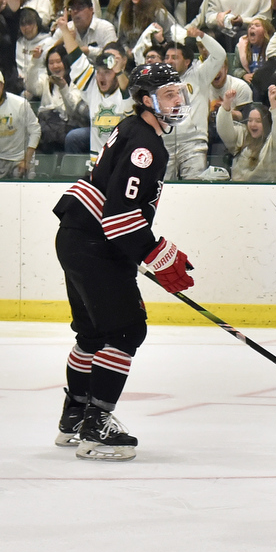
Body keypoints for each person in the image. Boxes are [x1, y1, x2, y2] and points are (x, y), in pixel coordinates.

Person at [51, 60, 194, 461]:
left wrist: (149, 253)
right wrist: (158, 254)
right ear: (147, 100)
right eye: (168, 94)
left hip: (77, 237)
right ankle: (97, 425)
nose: (177, 100)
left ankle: (74, 418)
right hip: (95, 243)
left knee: (92, 336)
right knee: (128, 331)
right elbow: (120, 215)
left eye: (178, 92)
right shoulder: (147, 145)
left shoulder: (133, 129)